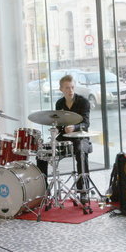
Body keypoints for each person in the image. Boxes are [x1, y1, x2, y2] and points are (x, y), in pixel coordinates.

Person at [36, 75, 92, 204]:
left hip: (80, 136)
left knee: (80, 150)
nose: (70, 90)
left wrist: (75, 127)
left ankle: (83, 190)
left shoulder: (83, 102)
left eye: (72, 87)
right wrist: (58, 129)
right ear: (61, 89)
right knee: (42, 152)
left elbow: (86, 124)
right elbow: (59, 123)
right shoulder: (59, 103)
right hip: (64, 137)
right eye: (67, 88)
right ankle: (44, 190)